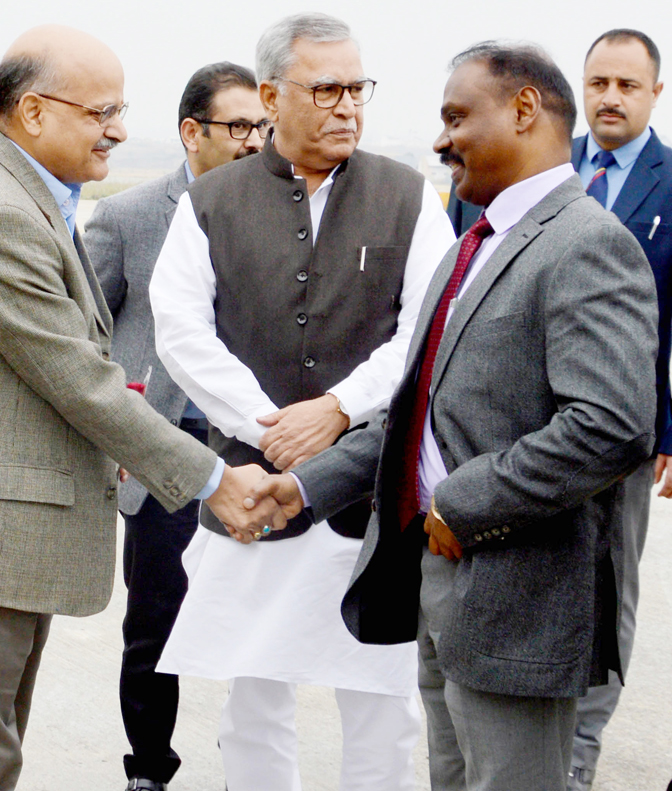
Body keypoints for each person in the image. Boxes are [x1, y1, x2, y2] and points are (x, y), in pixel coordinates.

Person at [0, 26, 284, 791]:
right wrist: (214, 480)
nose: (119, 130)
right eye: (102, 112)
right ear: (33, 111)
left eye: (120, 110)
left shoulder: (29, 198)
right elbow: (79, 379)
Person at [250, 41, 659, 791]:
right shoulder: (471, 245)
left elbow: (609, 425)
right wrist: (305, 487)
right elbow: (419, 418)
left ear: (525, 110)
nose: (441, 141)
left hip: (520, 604)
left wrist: (460, 504)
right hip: (444, 589)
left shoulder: (588, 244)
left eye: (457, 118)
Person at [149, 12, 455, 791]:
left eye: (357, 88)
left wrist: (339, 409)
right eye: (326, 89)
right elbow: (180, 329)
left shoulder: (409, 196)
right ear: (270, 96)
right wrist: (268, 427)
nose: (347, 105)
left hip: (371, 492)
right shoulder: (210, 202)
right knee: (253, 695)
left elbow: (428, 329)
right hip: (252, 486)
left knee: (382, 702)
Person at [84, 62, 268, 791]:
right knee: (154, 624)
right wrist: (117, 431)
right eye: (240, 126)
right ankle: (150, 771)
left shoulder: (283, 214)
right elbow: (86, 335)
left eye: (264, 127)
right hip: (163, 450)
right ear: (192, 132)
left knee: (254, 623)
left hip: (252, 451)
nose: (255, 141)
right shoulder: (129, 216)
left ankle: (250, 770)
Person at [567, 29, 672, 791]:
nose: (609, 98)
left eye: (626, 85)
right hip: (526, 424)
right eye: (598, 82)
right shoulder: (545, 165)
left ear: (655, 93)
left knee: (607, 594)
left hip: (626, 431)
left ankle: (578, 755)